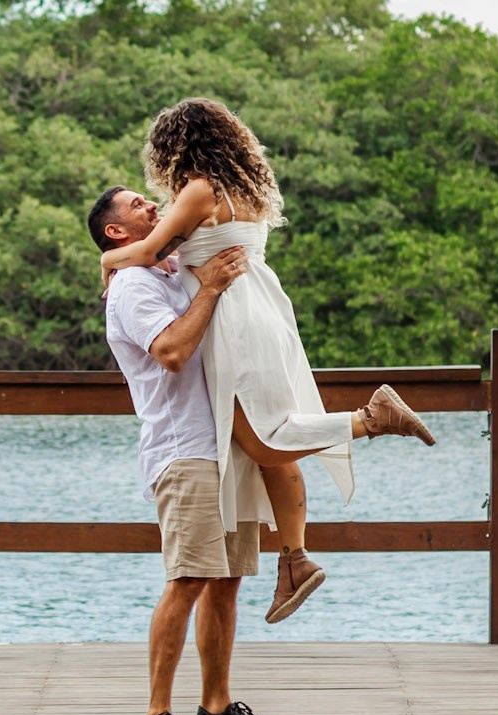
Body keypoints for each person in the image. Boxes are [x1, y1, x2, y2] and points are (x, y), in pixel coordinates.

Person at [97, 98, 435, 624]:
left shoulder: (198, 190)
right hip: (262, 307)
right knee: (268, 438)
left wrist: (106, 258)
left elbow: (146, 252)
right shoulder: (241, 186)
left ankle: (373, 419)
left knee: (261, 439)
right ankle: (294, 558)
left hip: (232, 314)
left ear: (175, 146)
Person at [90, 189, 289, 715]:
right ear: (116, 233)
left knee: (226, 580)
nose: (151, 206)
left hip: (225, 443)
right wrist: (209, 289)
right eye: (135, 206)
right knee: (188, 579)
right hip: (184, 449)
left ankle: (217, 708)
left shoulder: (169, 266)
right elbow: (173, 351)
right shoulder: (133, 287)